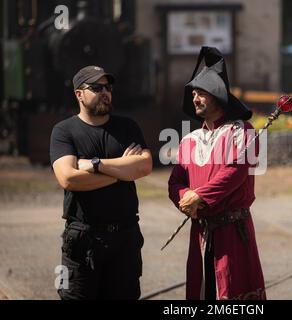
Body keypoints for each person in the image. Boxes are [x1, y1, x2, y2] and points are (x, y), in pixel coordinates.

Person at [168, 47, 266, 300]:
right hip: (200, 230)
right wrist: (184, 196)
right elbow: (175, 181)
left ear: (218, 96)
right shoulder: (189, 140)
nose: (195, 99)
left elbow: (235, 172)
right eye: (193, 94)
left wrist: (198, 196)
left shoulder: (242, 132)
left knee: (233, 294)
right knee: (203, 294)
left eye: (201, 93)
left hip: (233, 231)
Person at [50, 65, 152, 300]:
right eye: (96, 87)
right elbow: (68, 178)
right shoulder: (64, 131)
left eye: (108, 87)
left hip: (125, 239)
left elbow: (144, 166)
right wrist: (123, 170)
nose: (105, 92)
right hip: (82, 240)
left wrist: (95, 165)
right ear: (79, 94)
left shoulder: (127, 127)